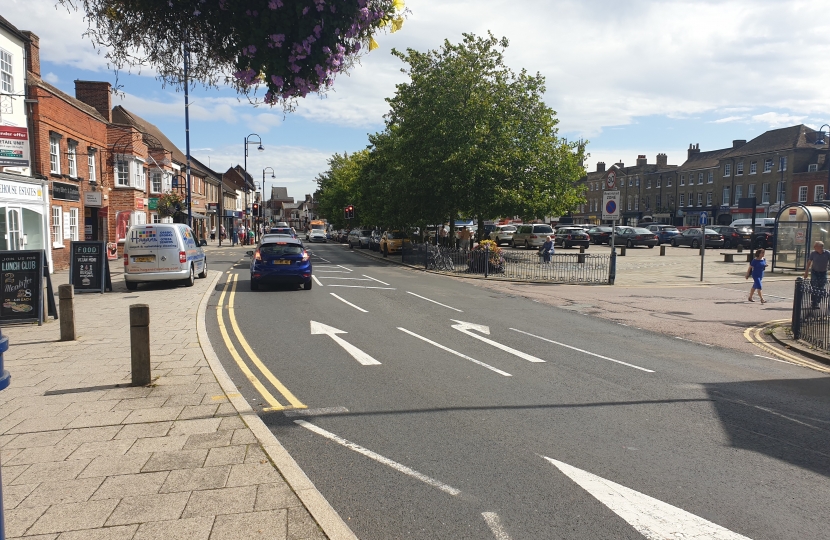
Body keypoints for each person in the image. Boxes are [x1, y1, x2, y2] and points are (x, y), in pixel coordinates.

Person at [804, 240, 830, 308]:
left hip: (823, 272)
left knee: (821, 288)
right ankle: (814, 302)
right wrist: (806, 272)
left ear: (820, 247)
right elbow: (809, 262)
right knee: (814, 287)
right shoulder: (813, 253)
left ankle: (817, 302)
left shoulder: (827, 253)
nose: (814, 247)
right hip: (815, 272)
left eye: (815, 246)